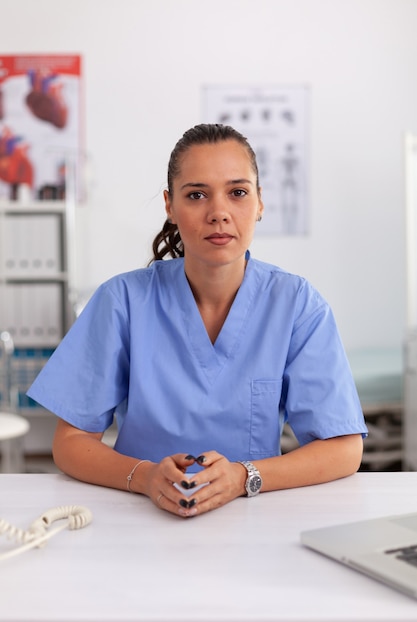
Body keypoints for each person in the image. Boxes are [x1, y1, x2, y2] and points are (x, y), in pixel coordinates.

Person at [27, 123, 367, 518]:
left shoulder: (296, 305)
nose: (219, 212)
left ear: (259, 202)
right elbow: (70, 440)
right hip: (136, 517)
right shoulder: (122, 301)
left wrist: (244, 477)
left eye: (238, 192)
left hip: (254, 520)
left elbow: (344, 448)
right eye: (196, 195)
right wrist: (145, 477)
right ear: (170, 206)